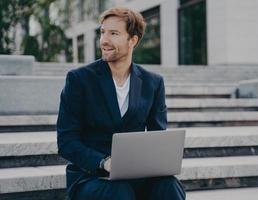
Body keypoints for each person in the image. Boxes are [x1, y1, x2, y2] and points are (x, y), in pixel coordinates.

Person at [57, 7, 186, 200]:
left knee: (170, 186)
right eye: (102, 32)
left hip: (136, 176)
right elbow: (66, 142)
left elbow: (157, 137)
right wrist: (104, 163)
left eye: (114, 33)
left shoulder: (153, 83)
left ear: (132, 40)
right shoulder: (79, 79)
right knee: (119, 192)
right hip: (91, 177)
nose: (104, 40)